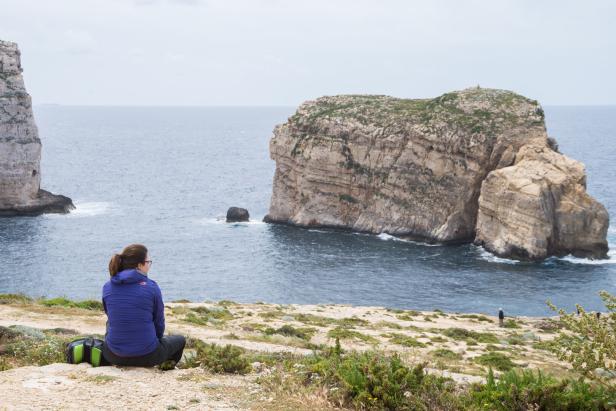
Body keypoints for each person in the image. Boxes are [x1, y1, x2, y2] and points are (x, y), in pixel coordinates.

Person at [102, 244, 185, 368]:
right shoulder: (151, 287)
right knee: (180, 340)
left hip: (113, 355)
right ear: (139, 265)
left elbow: (110, 315)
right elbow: (159, 323)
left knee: (111, 322)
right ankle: (165, 367)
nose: (149, 265)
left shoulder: (107, 286)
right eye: (148, 262)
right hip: (148, 356)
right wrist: (154, 342)